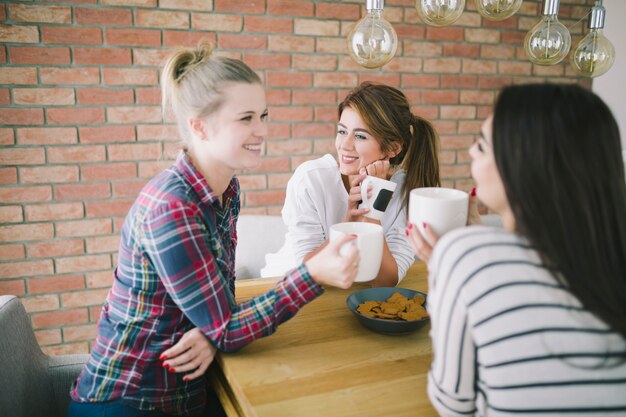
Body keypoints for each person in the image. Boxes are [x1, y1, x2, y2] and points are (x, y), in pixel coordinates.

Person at [68, 44, 361, 417]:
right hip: (132, 399)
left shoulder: (227, 189)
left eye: (263, 115)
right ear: (199, 126)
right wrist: (312, 275)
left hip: (190, 389)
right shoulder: (172, 208)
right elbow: (226, 328)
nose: (262, 130)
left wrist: (213, 333)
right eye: (246, 118)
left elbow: (219, 310)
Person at [407, 83, 626, 415]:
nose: (469, 153)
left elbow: (453, 405)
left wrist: (448, 272)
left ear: (522, 166)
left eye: (481, 146)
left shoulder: (464, 257)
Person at [262, 82, 440, 286]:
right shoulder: (311, 179)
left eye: (360, 136)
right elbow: (308, 269)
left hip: (346, 294)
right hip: (284, 287)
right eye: (342, 131)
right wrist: (348, 224)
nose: (344, 145)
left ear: (392, 148)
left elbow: (386, 280)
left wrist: (373, 212)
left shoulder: (406, 191)